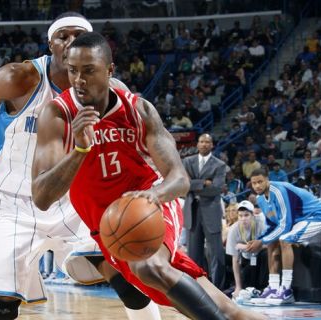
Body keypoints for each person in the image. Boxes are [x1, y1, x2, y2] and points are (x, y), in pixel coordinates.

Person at [0, 12, 160, 320]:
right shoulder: (21, 78)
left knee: (128, 279)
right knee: (0, 304)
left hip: (70, 200)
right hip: (10, 202)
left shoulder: (109, 90)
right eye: (63, 36)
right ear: (50, 44)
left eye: (79, 36)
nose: (71, 42)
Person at [32, 31, 266, 320]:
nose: (78, 80)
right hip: (109, 227)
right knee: (224, 308)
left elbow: (179, 179)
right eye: (72, 71)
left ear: (109, 71)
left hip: (150, 203)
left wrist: (154, 196)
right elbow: (41, 197)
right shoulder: (57, 115)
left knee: (147, 266)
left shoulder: (138, 110)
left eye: (88, 71)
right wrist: (80, 148)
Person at [246, 168, 321, 304]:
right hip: (300, 220)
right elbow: (273, 225)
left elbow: (286, 224)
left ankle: (286, 290)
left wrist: (260, 241)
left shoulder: (279, 191)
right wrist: (262, 240)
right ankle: (273, 287)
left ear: (267, 180)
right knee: (271, 241)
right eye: (254, 183)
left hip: (317, 215)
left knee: (285, 239)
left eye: (260, 182)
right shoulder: (260, 198)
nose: (257, 186)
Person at [182, 133, 227, 288]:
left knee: (217, 254)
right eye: (201, 141)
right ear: (197, 144)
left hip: (211, 212)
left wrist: (193, 185)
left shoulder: (220, 164)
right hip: (192, 212)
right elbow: (183, 186)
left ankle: (217, 288)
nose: (204, 144)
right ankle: (195, 288)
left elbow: (217, 188)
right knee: (193, 255)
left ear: (212, 145)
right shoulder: (187, 161)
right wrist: (204, 183)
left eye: (208, 142)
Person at [225, 200, 267, 299]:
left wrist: (257, 246)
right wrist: (238, 287)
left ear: (253, 215)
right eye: (240, 216)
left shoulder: (261, 222)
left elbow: (271, 245)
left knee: (266, 254)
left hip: (261, 258)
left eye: (246, 215)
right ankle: (236, 287)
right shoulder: (234, 230)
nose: (243, 219)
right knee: (247, 286)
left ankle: (265, 287)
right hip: (246, 259)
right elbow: (235, 259)